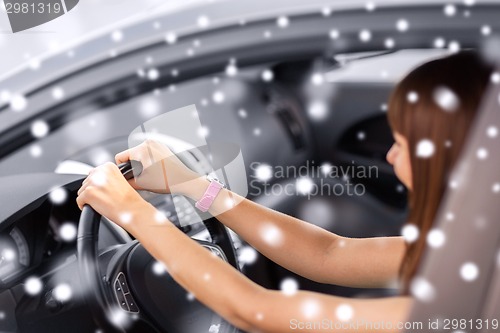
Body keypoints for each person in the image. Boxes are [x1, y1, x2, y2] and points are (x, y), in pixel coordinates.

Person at [77, 51, 493, 332]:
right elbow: (329, 254)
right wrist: (196, 188)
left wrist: (135, 215)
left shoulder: (459, 307)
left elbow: (255, 312)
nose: (388, 154)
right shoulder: (472, 253)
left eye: (401, 144)